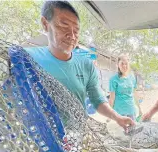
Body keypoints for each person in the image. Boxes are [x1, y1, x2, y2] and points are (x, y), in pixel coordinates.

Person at [25, 1, 134, 131]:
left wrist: (117, 117)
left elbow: (98, 99)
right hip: (39, 137)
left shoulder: (86, 64)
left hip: (76, 136)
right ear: (45, 24)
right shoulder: (26, 58)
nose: (72, 35)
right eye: (64, 26)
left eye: (76, 30)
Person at [108, 54, 142, 121]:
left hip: (131, 110)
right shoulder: (113, 79)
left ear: (128, 64)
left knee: (133, 129)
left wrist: (139, 109)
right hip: (119, 112)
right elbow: (112, 98)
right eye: (122, 64)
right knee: (121, 131)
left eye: (126, 63)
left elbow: (134, 94)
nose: (124, 66)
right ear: (118, 65)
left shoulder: (132, 77)